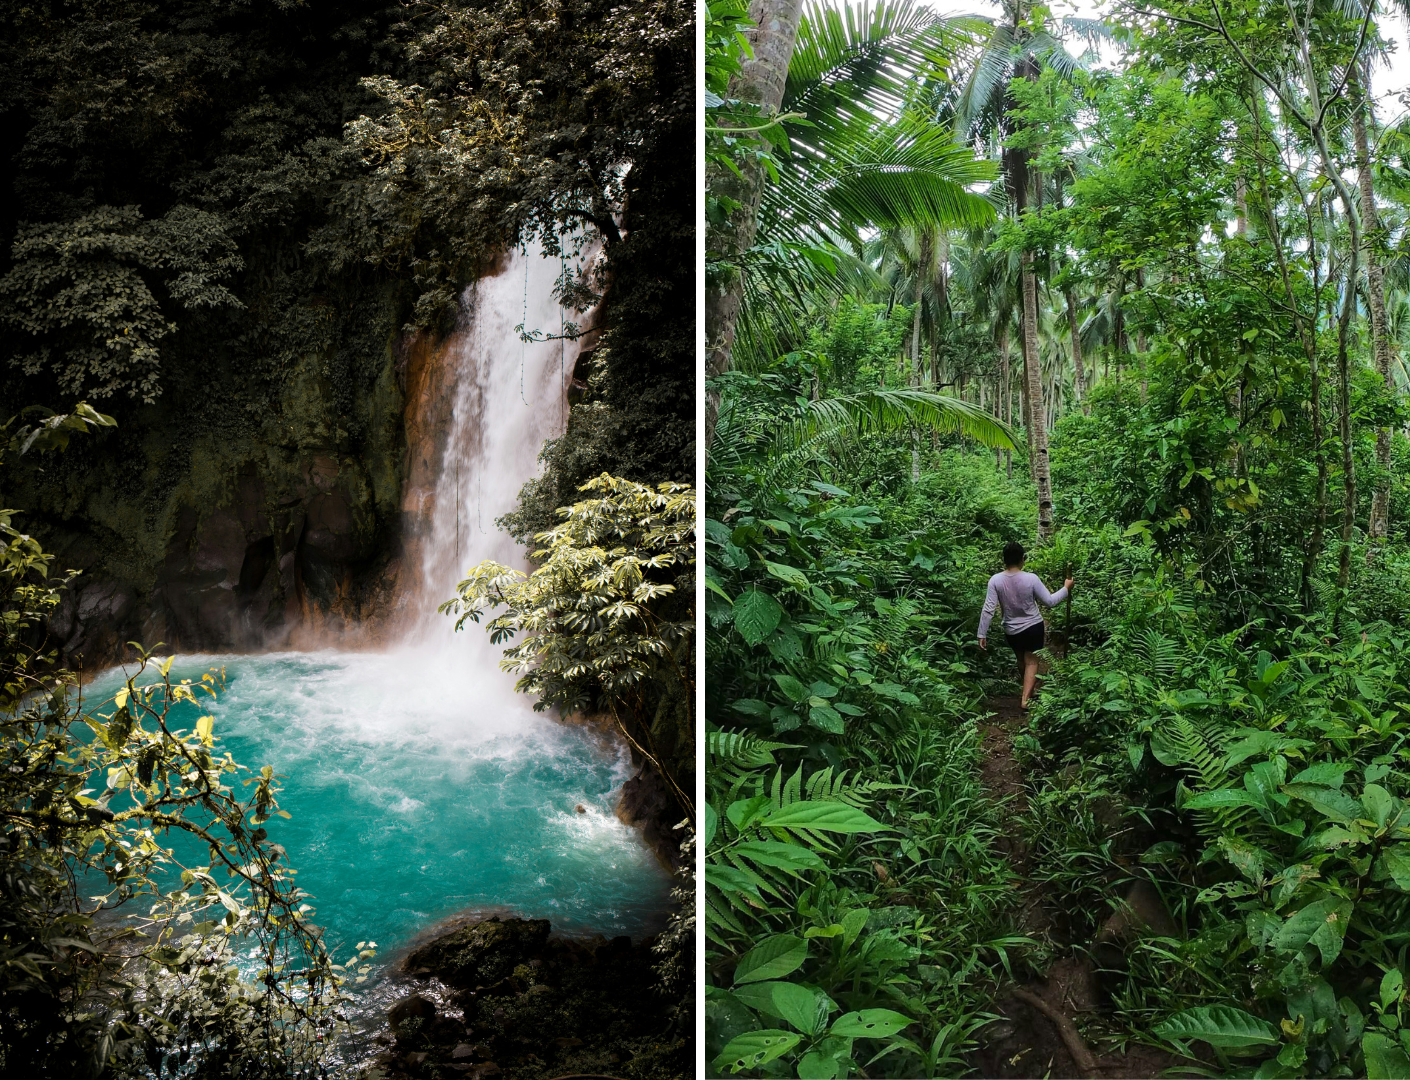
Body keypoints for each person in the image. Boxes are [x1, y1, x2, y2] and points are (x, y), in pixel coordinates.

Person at [977, 540, 1073, 711]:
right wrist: (1066, 588)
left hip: (1011, 630)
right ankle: (1025, 699)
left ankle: (1028, 691)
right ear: (1022, 558)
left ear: (1004, 560)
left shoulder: (995, 580)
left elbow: (988, 609)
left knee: (1021, 660)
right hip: (1033, 627)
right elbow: (1050, 601)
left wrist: (981, 633)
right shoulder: (1031, 579)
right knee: (1032, 662)